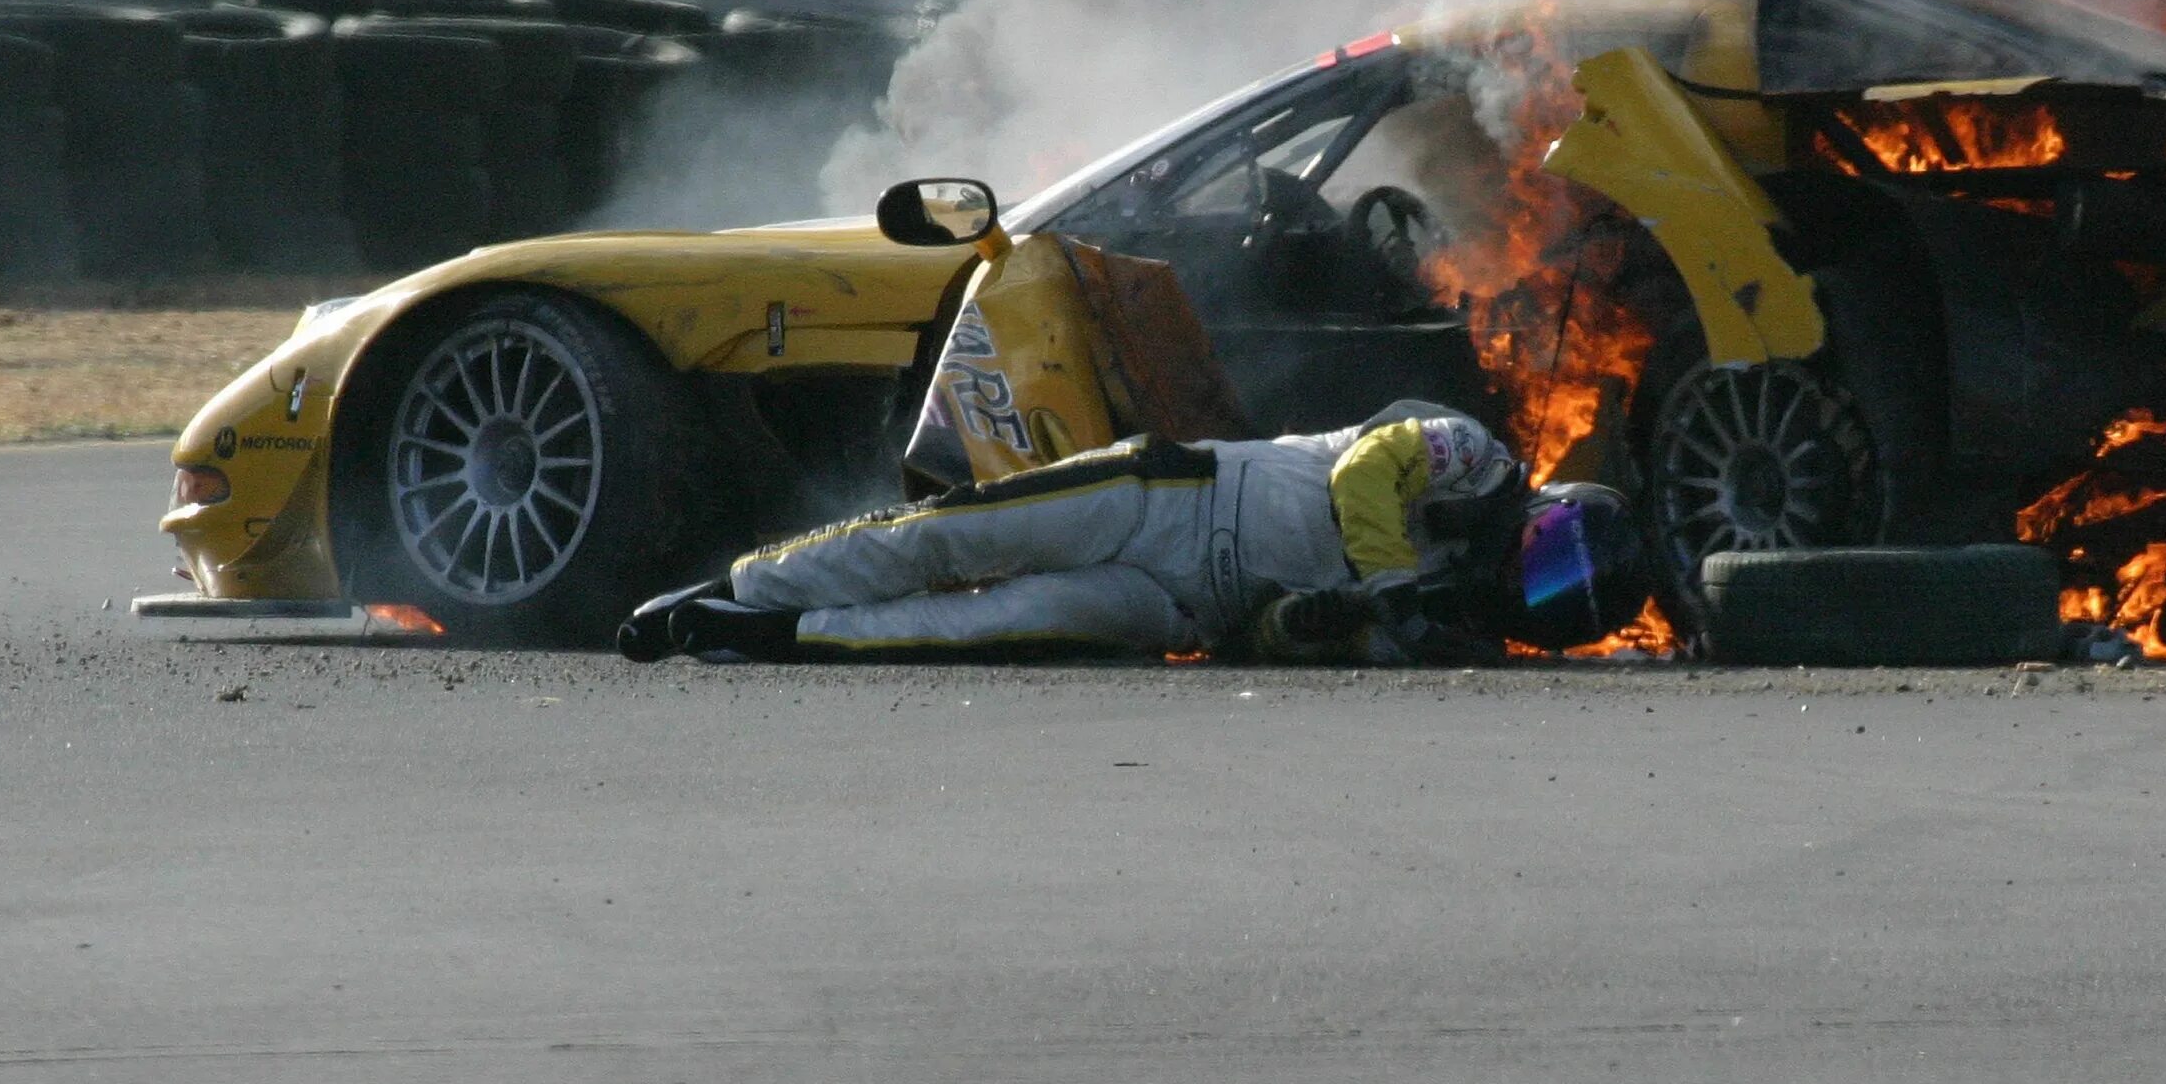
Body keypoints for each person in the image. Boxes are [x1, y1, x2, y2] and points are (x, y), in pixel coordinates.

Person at [618, 400, 1651, 664]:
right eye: (1553, 553)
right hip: (1173, 493)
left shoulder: (1443, 638)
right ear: (1543, 507)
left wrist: (1314, 619)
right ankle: (743, 586)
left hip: (1180, 603)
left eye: (1556, 599)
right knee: (949, 536)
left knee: (995, 624)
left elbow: (1270, 642)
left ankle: (768, 639)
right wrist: (1385, 576)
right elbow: (1367, 467)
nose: (1533, 580)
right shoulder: (1472, 454)